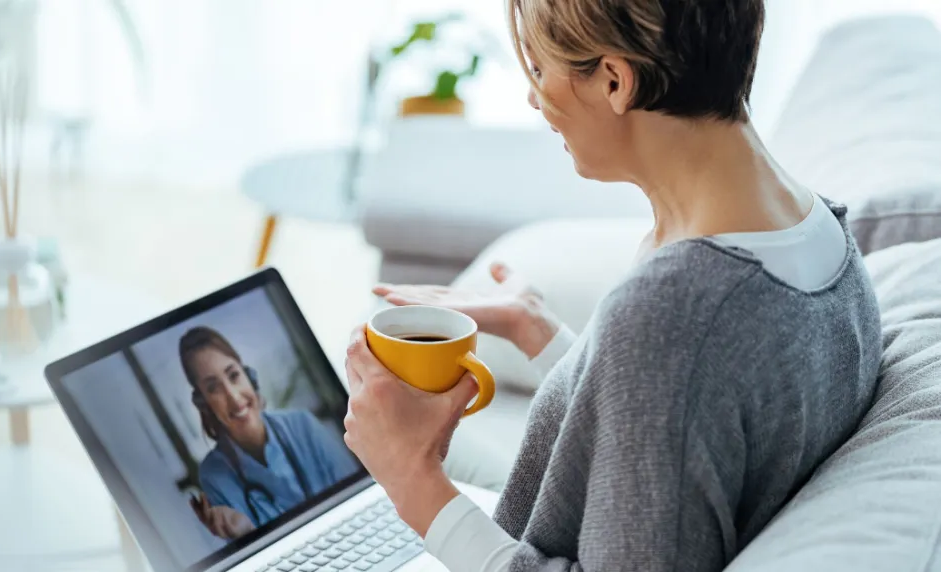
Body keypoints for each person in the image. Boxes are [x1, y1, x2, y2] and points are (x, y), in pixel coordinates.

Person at [342, 1, 883, 571]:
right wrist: (540, 331)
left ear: (615, 80)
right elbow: (676, 426)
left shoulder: (675, 314)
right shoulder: (817, 229)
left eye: (538, 68)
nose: (534, 97)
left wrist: (413, 481)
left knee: (350, 421)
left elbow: (675, 367)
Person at [179, 326, 360, 541]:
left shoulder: (303, 425)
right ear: (204, 404)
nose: (234, 398)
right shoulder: (214, 476)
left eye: (234, 376)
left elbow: (357, 499)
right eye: (213, 388)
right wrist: (247, 533)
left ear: (249, 375)